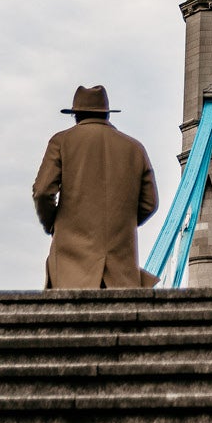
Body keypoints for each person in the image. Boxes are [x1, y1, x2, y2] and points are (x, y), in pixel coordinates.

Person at [32, 85, 160, 290]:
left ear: (76, 115)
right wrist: (120, 224)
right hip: (120, 269)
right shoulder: (135, 149)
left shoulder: (62, 141)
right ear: (107, 114)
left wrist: (53, 224)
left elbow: (43, 191)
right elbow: (150, 203)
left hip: (71, 264)